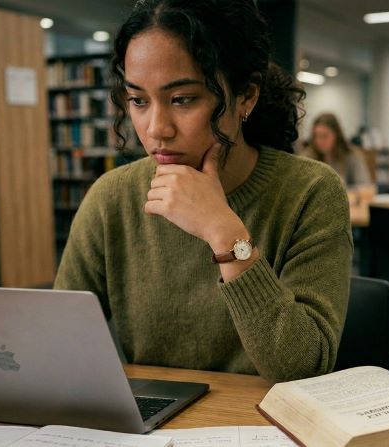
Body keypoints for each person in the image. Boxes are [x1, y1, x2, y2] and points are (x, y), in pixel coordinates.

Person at [53, 0, 352, 383]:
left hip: (263, 427)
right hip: (153, 430)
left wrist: (223, 232)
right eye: (139, 101)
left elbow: (301, 366)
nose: (157, 128)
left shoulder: (311, 191)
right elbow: (59, 343)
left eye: (182, 99)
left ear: (245, 96)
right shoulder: (113, 196)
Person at [300, 113, 373, 188]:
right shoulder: (307, 157)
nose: (319, 141)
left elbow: (365, 187)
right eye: (316, 136)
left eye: (325, 136)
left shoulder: (351, 155)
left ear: (336, 135)